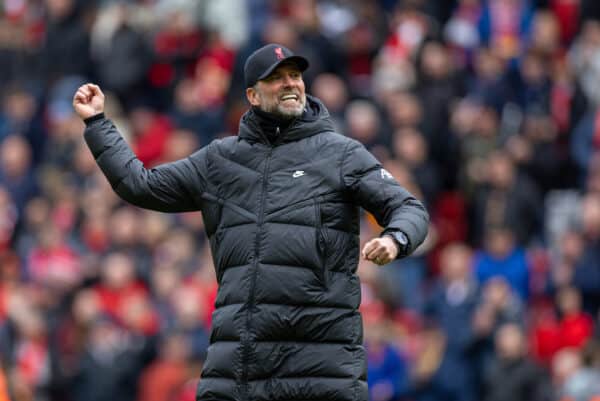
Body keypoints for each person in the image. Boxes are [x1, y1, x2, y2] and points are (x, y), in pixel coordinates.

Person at [72, 43, 429, 401]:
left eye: (295, 75)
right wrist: (98, 123)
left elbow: (408, 208)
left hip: (320, 368)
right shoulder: (221, 160)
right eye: (276, 78)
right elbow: (141, 185)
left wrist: (395, 239)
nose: (290, 84)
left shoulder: (341, 154)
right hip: (238, 368)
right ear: (253, 95)